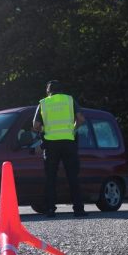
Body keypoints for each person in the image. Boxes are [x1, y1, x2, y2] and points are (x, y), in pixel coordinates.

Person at [33, 80, 87, 217]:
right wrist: (72, 130)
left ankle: (50, 209)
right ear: (61, 90)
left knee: (51, 178)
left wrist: (44, 131)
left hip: (51, 144)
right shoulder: (69, 100)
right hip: (69, 142)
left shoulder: (43, 103)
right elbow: (80, 119)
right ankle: (79, 209)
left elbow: (35, 125)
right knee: (73, 176)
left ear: (48, 91)